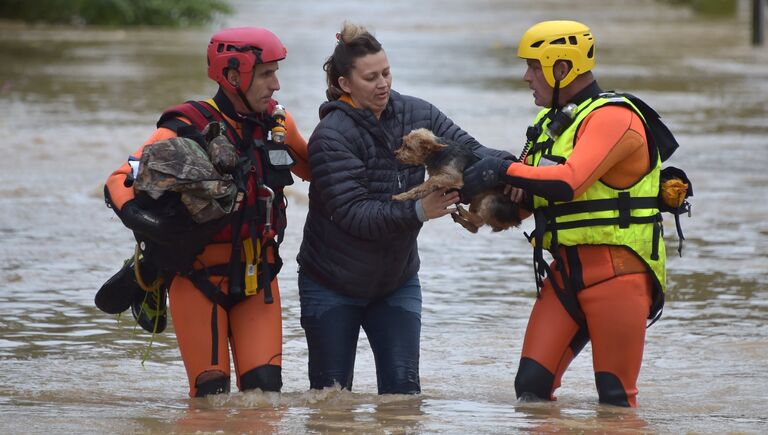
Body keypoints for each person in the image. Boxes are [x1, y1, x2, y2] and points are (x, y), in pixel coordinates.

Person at [460, 20, 675, 407]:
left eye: (533, 66)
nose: (526, 77)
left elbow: (568, 182)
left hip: (617, 275)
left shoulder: (615, 117)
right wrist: (481, 208)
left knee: (614, 400)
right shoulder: (550, 124)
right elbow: (529, 200)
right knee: (530, 389)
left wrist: (501, 169)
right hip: (565, 275)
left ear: (563, 68)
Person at [296, 22, 514, 394]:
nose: (383, 83)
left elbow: (473, 151)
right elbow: (354, 214)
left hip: (396, 282)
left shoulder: (418, 115)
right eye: (370, 77)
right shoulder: (331, 136)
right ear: (345, 84)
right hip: (331, 284)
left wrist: (515, 169)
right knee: (330, 402)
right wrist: (420, 210)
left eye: (386, 73)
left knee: (404, 399)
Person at [103, 27, 310, 398]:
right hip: (196, 280)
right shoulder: (186, 127)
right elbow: (119, 179)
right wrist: (145, 221)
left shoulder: (279, 126)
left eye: (276, 72)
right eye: (266, 73)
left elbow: (323, 173)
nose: (276, 85)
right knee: (210, 398)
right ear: (233, 76)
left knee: (264, 398)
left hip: (257, 279)